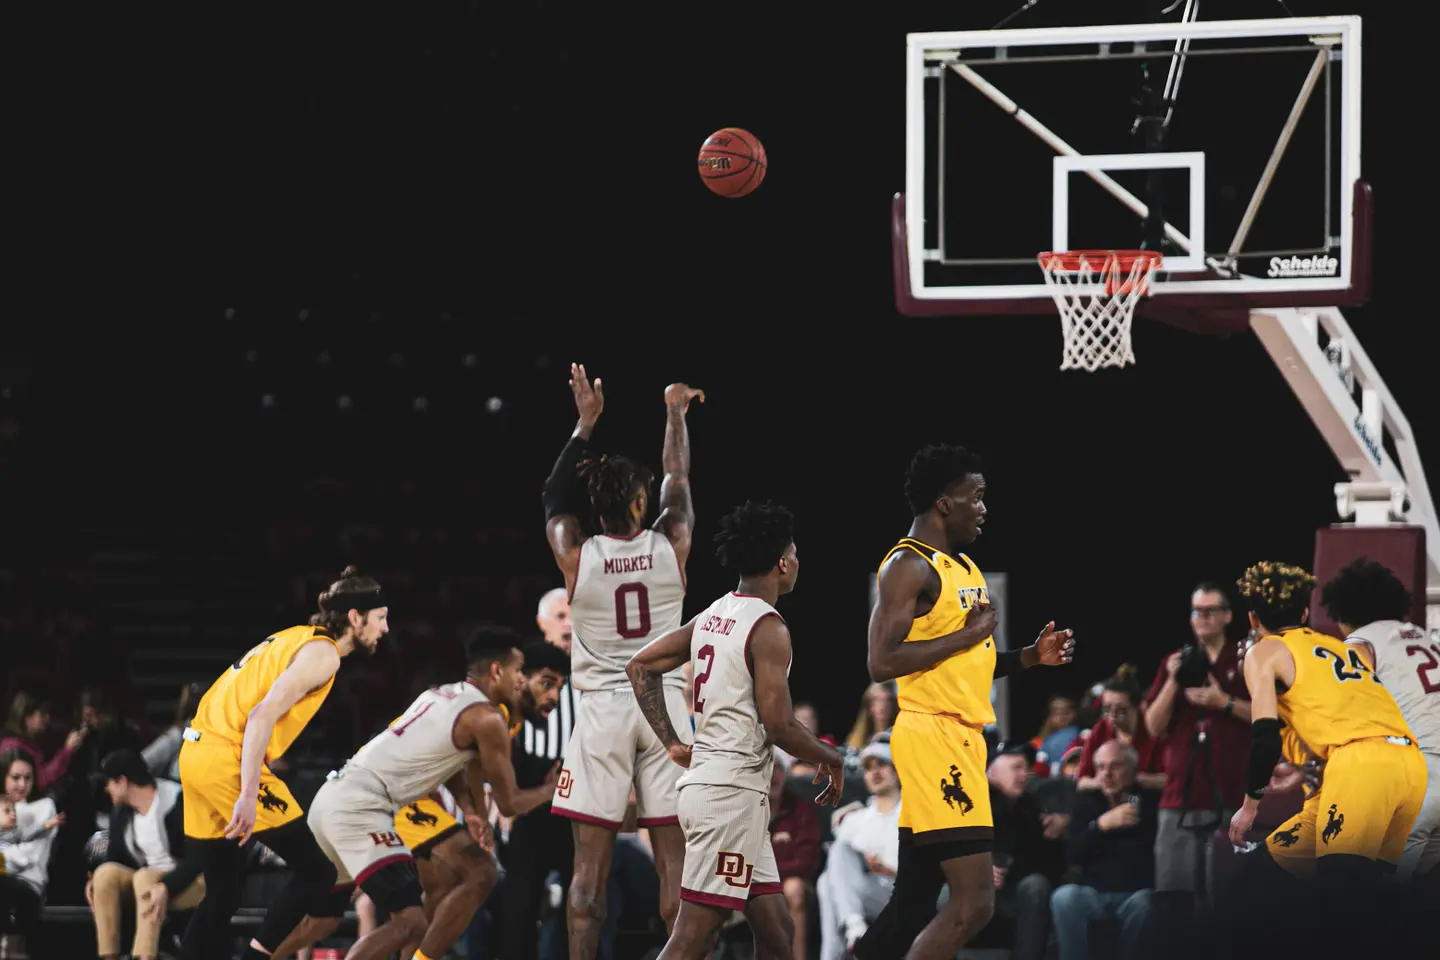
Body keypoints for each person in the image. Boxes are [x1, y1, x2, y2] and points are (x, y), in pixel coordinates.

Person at [854, 443, 1075, 960]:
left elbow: (970, 660)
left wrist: (1026, 658)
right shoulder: (907, 566)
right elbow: (881, 663)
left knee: (912, 901)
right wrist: (966, 635)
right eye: (974, 497)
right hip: (933, 738)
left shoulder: (965, 568)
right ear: (943, 503)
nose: (983, 508)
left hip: (963, 739)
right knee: (975, 902)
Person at [624, 498, 845, 960]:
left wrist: (672, 741)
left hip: (729, 791)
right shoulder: (768, 627)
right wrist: (831, 756)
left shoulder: (714, 614)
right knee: (694, 936)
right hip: (729, 793)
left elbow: (641, 666)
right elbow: (779, 724)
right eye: (796, 554)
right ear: (783, 562)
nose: (798, 563)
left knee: (779, 931)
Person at [541, 363, 704, 959]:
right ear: (640, 503)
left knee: (588, 874)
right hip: (668, 710)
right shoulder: (672, 543)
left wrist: (585, 426)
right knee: (676, 871)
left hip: (603, 711)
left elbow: (553, 496)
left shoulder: (574, 555)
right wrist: (674, 413)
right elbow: (677, 475)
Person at [306, 626, 559, 960]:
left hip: (369, 789)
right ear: (505, 673)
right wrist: (553, 790)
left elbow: (465, 762)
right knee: (477, 874)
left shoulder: (459, 696)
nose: (554, 696)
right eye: (546, 682)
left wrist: (473, 813)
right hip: (380, 796)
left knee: (437, 888)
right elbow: (509, 803)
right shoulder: (489, 717)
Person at [177, 566, 390, 960]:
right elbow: (261, 716)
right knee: (318, 873)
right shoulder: (324, 654)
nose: (386, 628)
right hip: (227, 760)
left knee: (222, 894)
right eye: (380, 618)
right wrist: (245, 792)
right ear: (355, 618)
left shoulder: (297, 636)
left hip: (195, 753)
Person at [1228, 561, 1427, 954]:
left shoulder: (1263, 651)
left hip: (1360, 768)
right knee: (1263, 874)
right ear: (1305, 613)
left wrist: (1250, 806)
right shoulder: (1339, 647)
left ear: (1252, 617)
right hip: (1405, 767)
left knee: (1344, 908)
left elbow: (1264, 736)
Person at [1320, 557, 1440, 884]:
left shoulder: (1359, 644)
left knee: (1379, 906)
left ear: (1342, 612)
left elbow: (1343, 711)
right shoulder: (1426, 638)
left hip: (1418, 780)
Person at [89, 749, 205, 960]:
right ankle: (109, 956)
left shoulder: (177, 801)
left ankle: (144, 956)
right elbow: (115, 858)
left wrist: (166, 886)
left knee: (145, 877)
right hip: (148, 885)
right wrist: (95, 882)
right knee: (105, 874)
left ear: (123, 782)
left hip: (191, 882)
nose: (107, 789)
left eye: (109, 783)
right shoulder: (121, 812)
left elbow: (198, 859)